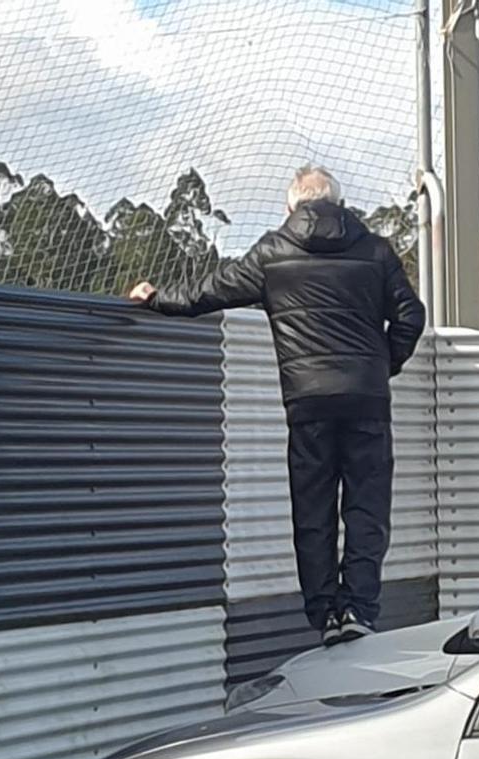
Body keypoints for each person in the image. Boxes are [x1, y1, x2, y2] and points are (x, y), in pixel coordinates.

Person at [129, 166, 426, 646]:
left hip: (307, 400)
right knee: (366, 507)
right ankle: (359, 610)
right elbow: (411, 314)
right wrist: (381, 366)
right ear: (341, 203)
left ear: (291, 208)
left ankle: (325, 615)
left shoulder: (273, 251)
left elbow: (210, 292)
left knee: (313, 509)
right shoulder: (375, 250)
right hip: (367, 399)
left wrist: (157, 298)